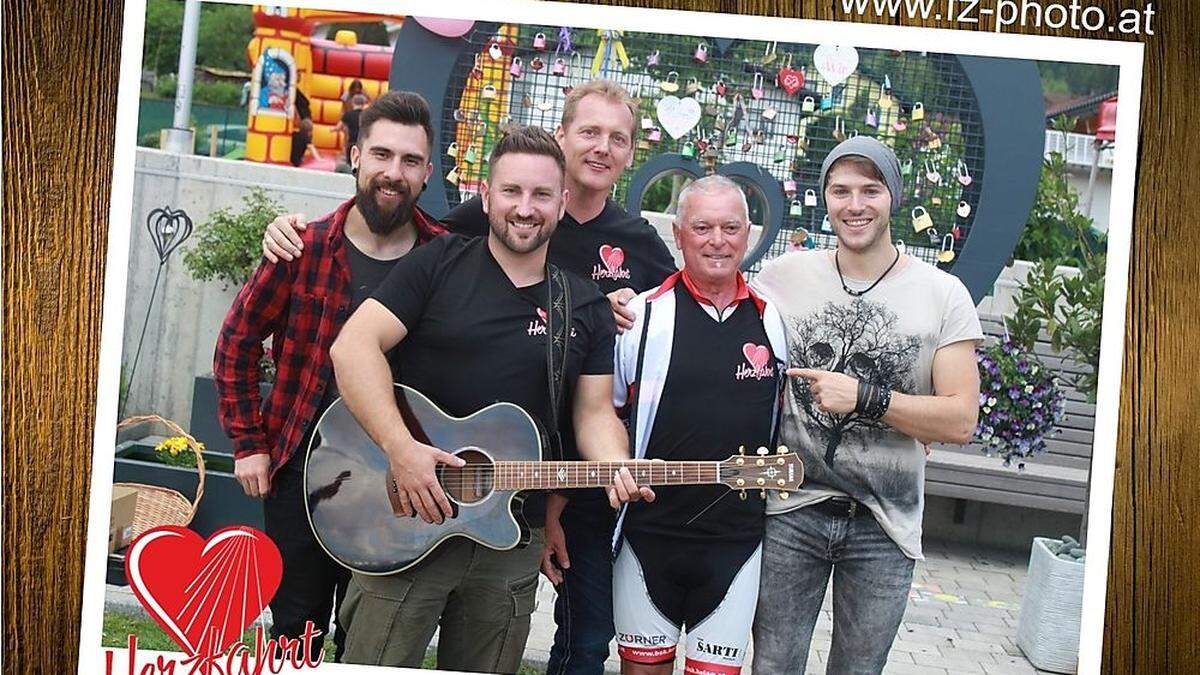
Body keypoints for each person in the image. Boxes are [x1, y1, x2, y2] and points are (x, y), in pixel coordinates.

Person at [260, 79, 678, 674]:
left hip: (509, 533)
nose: (526, 208)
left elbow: (592, 413)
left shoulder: (583, 305)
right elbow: (352, 349)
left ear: (562, 203)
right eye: (511, 191)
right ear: (486, 197)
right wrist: (402, 450)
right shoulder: (436, 261)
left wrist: (616, 463)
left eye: (540, 195)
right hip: (407, 514)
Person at [212, 90, 446, 663]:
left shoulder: (446, 258)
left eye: (410, 161)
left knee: (373, 636)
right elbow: (236, 344)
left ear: (428, 172)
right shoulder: (304, 247)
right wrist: (249, 446)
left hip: (398, 478)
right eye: (383, 155)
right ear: (355, 155)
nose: (394, 173)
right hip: (302, 471)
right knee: (297, 631)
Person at [749, 136, 984, 674]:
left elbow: (960, 417)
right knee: (773, 665)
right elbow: (712, 313)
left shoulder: (942, 294)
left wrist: (867, 399)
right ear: (825, 199)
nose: (855, 205)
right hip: (791, 511)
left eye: (870, 190)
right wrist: (628, 307)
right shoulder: (783, 277)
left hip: (886, 524)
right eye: (841, 191)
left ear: (892, 197)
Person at [609, 175, 786, 675]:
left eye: (731, 227)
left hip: (736, 544)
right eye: (702, 227)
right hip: (649, 537)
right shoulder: (641, 317)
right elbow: (607, 412)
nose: (717, 240)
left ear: (748, 235)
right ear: (679, 235)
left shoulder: (774, 321)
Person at [335, 93, 369, 172]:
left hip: (351, 142)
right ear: (364, 103)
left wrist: (332, 130)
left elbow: (338, 127)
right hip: (362, 143)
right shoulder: (366, 115)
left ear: (353, 102)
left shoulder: (348, 114)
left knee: (350, 164)